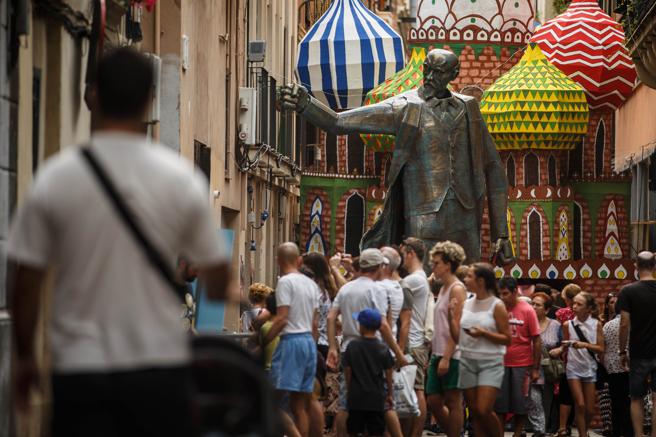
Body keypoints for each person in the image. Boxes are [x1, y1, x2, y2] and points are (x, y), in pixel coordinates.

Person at [7, 47, 232, 436]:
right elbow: (216, 278)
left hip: (80, 371)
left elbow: (26, 277)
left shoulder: (56, 178)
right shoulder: (180, 180)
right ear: (149, 98)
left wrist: (24, 356)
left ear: (92, 95)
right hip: (158, 369)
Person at [279, 49, 513, 264]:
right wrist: (305, 104)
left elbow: (493, 167)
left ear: (454, 74)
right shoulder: (405, 106)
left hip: (466, 217)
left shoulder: (469, 107)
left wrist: (501, 231)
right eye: (427, 70)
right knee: (421, 285)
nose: (430, 77)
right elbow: (339, 122)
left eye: (438, 72)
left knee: (466, 288)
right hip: (422, 216)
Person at [327, 248, 406, 437]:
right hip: (374, 350)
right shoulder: (376, 289)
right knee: (386, 402)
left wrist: (332, 347)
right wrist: (398, 353)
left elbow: (331, 317)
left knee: (346, 402)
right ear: (379, 267)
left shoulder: (347, 288)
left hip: (349, 348)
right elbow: (383, 324)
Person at [448, 263, 511, 437]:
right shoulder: (467, 303)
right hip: (467, 360)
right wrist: (451, 316)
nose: (465, 280)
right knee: (474, 411)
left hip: (490, 361)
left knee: (484, 409)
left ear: (481, 281)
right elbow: (457, 338)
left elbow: (508, 339)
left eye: (469, 276)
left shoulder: (496, 305)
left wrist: (484, 333)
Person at [265, 242, 320, 437]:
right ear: (298, 260)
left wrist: (264, 341)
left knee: (271, 400)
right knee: (300, 405)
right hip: (308, 343)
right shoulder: (312, 285)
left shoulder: (285, 282)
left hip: (292, 342)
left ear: (278, 261)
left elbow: (281, 319)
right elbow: (315, 323)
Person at [426, 241, 467, 437]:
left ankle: (454, 434)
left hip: (452, 354)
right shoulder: (443, 288)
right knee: (433, 399)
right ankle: (452, 431)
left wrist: (447, 357)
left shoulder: (457, 289)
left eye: (436, 263)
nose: (433, 267)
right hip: (438, 352)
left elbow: (456, 326)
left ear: (448, 264)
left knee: (453, 401)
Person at [495, 277, 542, 437]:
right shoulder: (498, 308)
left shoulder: (528, 310)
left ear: (515, 291)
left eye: (506, 293)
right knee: (499, 404)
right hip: (500, 364)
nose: (502, 297)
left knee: (520, 404)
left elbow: (536, 340)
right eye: (500, 293)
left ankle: (517, 433)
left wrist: (535, 369)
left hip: (522, 365)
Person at [618, 251, 656, 437]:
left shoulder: (628, 291)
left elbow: (624, 323)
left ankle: (639, 435)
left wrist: (621, 351)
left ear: (635, 266)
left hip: (639, 351)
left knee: (636, 397)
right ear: (654, 266)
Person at [342, 309, 395, 437]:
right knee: (376, 431)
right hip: (376, 398)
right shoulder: (383, 348)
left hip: (356, 397)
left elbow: (348, 371)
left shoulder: (352, 346)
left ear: (362, 326)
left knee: (354, 430)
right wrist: (390, 393)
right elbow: (389, 372)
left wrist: (349, 390)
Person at [399, 237, 431, 437]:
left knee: (416, 390)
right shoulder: (417, 278)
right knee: (411, 390)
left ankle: (416, 433)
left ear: (410, 253)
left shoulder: (414, 279)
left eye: (402, 254)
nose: (401, 259)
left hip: (413, 341)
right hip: (414, 341)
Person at [562, 291, 604, 437]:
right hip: (573, 368)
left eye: (579, 304)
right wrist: (560, 348)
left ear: (589, 308)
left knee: (590, 410)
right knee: (579, 404)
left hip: (590, 368)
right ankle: (582, 434)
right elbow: (565, 345)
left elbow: (601, 348)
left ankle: (583, 430)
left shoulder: (596, 324)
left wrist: (584, 345)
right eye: (574, 303)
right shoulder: (568, 324)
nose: (575, 306)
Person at [529, 292, 562, 436]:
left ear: (547, 309)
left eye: (538, 305)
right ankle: (538, 430)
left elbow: (564, 344)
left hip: (549, 371)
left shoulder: (555, 325)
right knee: (534, 401)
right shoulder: (526, 323)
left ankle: (540, 431)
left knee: (546, 403)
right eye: (532, 303)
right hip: (530, 369)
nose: (534, 307)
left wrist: (559, 349)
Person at [602, 291, 633, 437]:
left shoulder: (607, 326)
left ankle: (617, 432)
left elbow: (602, 350)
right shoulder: (635, 323)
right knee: (631, 403)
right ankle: (629, 432)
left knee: (616, 404)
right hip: (631, 368)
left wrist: (605, 363)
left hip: (613, 369)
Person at [553, 283, 582, 437]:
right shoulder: (589, 314)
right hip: (583, 358)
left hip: (566, 358)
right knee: (580, 397)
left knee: (565, 395)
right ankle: (578, 427)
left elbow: (558, 338)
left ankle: (562, 427)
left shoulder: (561, 314)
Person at [303, 253, 338, 360]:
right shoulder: (326, 290)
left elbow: (314, 321)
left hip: (315, 342)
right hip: (325, 341)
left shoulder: (313, 291)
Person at [379, 246, 405, 341]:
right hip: (389, 344)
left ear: (384, 264)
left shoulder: (382, 288)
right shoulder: (397, 286)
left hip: (379, 346)